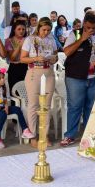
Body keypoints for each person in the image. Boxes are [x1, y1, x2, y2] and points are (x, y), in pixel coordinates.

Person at [60, 12, 95, 146]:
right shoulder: (74, 34)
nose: (90, 30)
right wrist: (82, 39)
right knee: (74, 106)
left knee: (91, 107)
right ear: (83, 23)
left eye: (93, 28)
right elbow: (67, 52)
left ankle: (89, 135)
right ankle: (70, 135)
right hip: (75, 77)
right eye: (87, 27)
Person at [21, 17, 57, 145]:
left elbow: (56, 56)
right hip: (34, 72)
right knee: (33, 105)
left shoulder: (51, 40)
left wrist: (53, 59)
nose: (46, 32)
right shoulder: (29, 40)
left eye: (48, 30)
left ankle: (45, 135)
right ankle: (33, 136)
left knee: (46, 106)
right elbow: (22, 58)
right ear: (38, 28)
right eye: (43, 30)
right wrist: (36, 58)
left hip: (48, 73)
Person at [0, 68, 31, 149]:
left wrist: (6, 106)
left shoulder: (3, 87)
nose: (2, 80)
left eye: (3, 78)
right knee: (3, 114)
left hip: (2, 107)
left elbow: (5, 99)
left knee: (17, 109)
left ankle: (25, 129)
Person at [5, 19, 28, 89]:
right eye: (19, 29)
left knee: (26, 90)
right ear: (14, 30)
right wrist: (20, 45)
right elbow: (12, 58)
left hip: (26, 67)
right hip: (14, 68)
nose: (21, 31)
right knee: (14, 90)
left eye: (23, 29)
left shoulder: (28, 40)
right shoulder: (9, 41)